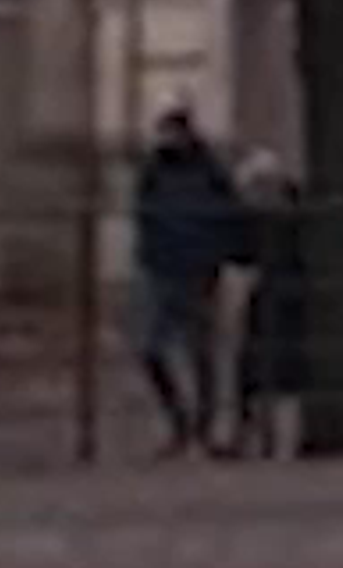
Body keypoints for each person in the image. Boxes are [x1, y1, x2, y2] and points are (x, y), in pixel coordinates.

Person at [130, 104, 241, 454]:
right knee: (151, 348)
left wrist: (215, 255)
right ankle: (179, 420)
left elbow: (228, 213)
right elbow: (143, 212)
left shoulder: (209, 170)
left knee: (200, 352)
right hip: (163, 268)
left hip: (197, 269)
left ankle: (200, 427)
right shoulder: (154, 169)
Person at [228, 150, 311, 458]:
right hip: (273, 292)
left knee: (269, 367)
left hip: (280, 293)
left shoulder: (280, 219)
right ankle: (257, 433)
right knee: (257, 367)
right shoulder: (287, 214)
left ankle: (262, 436)